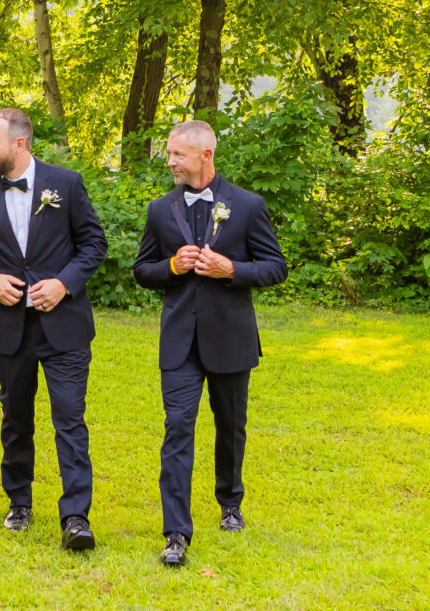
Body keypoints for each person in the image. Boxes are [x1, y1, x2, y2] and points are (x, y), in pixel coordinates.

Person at [133, 120, 287, 566]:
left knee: (230, 426)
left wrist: (232, 270)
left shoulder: (247, 205)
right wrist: (172, 267)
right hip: (179, 341)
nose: (170, 161)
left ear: (206, 154)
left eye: (177, 154)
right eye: (169, 153)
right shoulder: (160, 210)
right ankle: (176, 533)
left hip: (230, 337)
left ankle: (230, 503)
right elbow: (143, 271)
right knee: (177, 429)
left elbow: (275, 267)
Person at [0, 108, 107, 551]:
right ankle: (19, 501)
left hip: (65, 327)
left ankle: (76, 517)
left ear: (18, 145)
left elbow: (94, 243)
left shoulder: (67, 183)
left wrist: (64, 283)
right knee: (15, 419)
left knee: (69, 419)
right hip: (8, 329)